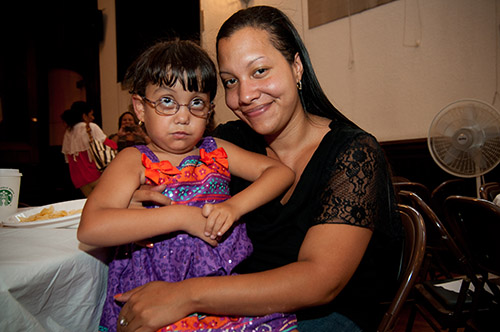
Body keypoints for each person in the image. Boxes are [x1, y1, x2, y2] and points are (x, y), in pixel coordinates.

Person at [115, 5, 404, 332]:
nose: (245, 95)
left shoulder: (353, 152)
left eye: (260, 71)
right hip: (231, 311)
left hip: (323, 318)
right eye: (230, 81)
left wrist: (186, 296)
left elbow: (320, 282)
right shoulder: (226, 143)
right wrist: (138, 203)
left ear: (296, 67)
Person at [77, 40, 296, 332]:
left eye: (196, 103)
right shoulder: (134, 160)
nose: (183, 117)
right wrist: (181, 217)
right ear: (140, 107)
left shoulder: (216, 150)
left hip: (218, 292)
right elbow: (91, 227)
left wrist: (234, 206)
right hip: (154, 294)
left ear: (209, 110)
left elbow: (280, 173)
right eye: (167, 101)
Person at [61, 101, 117, 197]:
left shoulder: (68, 132)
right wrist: (118, 136)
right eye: (91, 114)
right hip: (95, 174)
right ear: (84, 115)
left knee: (91, 203)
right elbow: (111, 146)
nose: (93, 118)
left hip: (79, 179)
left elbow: (67, 159)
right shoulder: (91, 127)